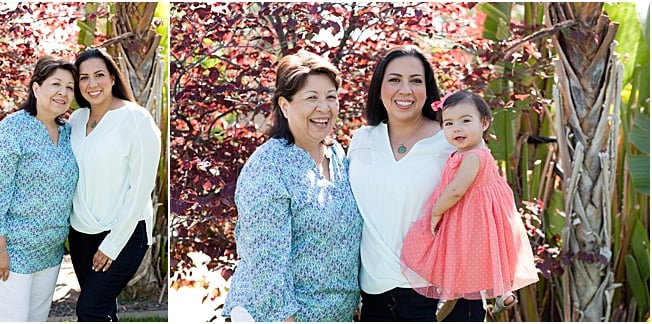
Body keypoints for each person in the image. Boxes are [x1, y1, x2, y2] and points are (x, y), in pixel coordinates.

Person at [222, 50, 363, 322]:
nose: (324, 108)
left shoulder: (338, 157)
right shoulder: (268, 166)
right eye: (311, 98)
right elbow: (265, 262)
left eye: (331, 97)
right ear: (285, 106)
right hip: (277, 317)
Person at [348, 45, 486, 321]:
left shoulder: (453, 142)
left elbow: (484, 212)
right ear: (378, 87)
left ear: (428, 89)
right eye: (395, 79)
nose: (405, 90)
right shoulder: (361, 140)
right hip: (376, 298)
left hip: (441, 298)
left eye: (416, 80)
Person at [399, 90, 539, 319]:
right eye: (449, 123)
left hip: (473, 216)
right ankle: (499, 291)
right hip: (479, 214)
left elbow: (455, 190)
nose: (457, 128)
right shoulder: (466, 153)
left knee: (465, 255)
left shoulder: (473, 156)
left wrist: (436, 212)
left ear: (484, 123)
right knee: (481, 256)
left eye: (465, 121)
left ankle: (465, 295)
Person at [0, 56, 79, 321]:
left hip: (49, 250)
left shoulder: (68, 132)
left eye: (69, 87)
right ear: (35, 88)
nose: (63, 92)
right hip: (10, 247)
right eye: (56, 84)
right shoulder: (11, 130)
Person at [68, 47, 161, 321]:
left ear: (112, 77)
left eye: (99, 75)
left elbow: (141, 188)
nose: (91, 84)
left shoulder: (136, 119)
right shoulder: (76, 119)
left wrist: (113, 244)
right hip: (81, 234)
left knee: (90, 310)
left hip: (124, 233)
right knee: (103, 310)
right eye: (83, 78)